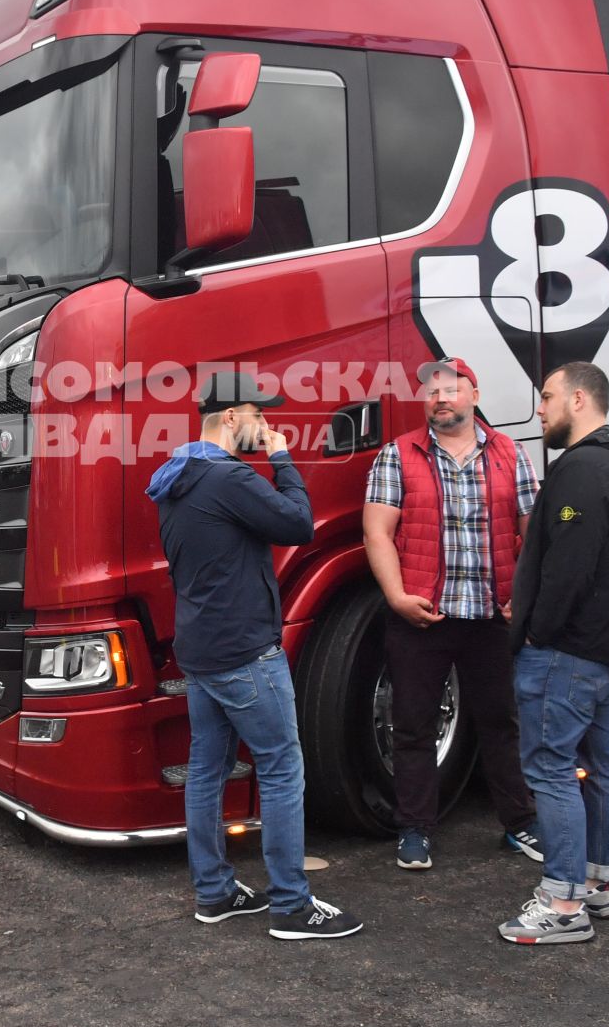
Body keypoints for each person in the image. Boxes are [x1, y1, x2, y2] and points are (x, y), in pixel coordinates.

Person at [145, 369, 363, 940]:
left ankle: (214, 893)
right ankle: (292, 905)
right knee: (282, 767)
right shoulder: (227, 478)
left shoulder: (178, 475)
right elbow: (295, 523)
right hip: (244, 652)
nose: (267, 426)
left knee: (207, 772)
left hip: (201, 651)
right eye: (260, 416)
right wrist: (284, 458)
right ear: (233, 418)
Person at [363, 357, 543, 872]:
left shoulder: (512, 454)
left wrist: (524, 597)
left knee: (502, 723)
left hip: (492, 616)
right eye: (432, 392)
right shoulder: (397, 456)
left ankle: (519, 823)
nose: (440, 398)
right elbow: (377, 531)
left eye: (451, 389)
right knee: (413, 726)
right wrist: (397, 597)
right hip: (423, 615)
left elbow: (535, 533)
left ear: (474, 392)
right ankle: (415, 829)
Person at [500, 361, 609, 946]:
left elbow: (569, 566)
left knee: (550, 768)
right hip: (601, 651)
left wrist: (537, 629)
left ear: (580, 400)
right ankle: (595, 884)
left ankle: (563, 903)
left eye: (547, 397)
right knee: (604, 762)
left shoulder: (584, 469)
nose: (540, 409)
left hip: (566, 652)